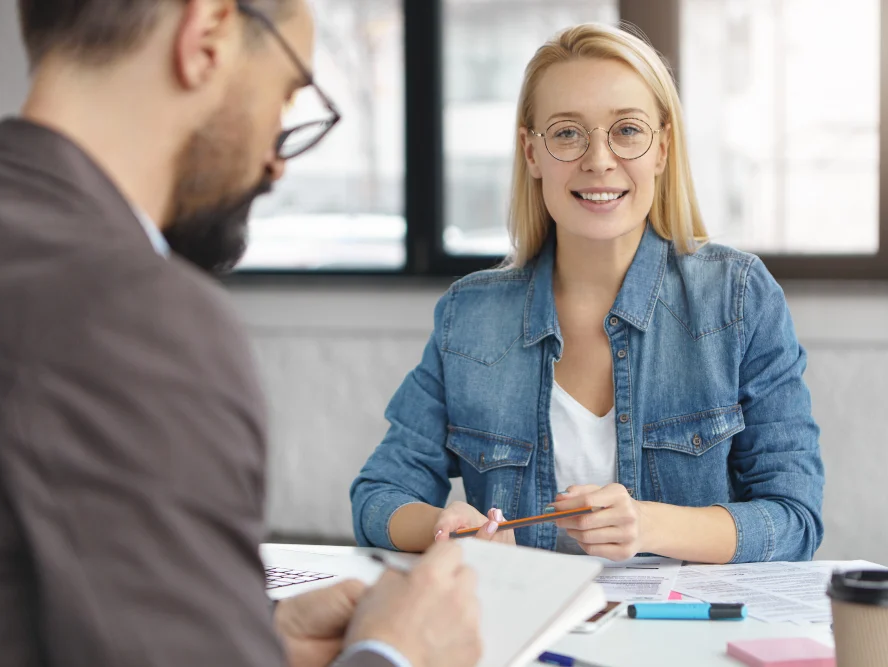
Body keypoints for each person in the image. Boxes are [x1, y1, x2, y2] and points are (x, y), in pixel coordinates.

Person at [0, 1, 481, 667]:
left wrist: (256, 638)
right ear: (206, 37)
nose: (278, 160)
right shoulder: (138, 318)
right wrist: (396, 653)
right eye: (287, 93)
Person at [351, 22, 825, 564]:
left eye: (626, 130)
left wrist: (648, 526)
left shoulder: (738, 299)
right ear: (531, 153)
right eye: (567, 133)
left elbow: (795, 519)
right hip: (521, 632)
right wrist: (444, 526)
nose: (598, 160)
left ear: (662, 149)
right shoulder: (470, 316)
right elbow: (378, 496)